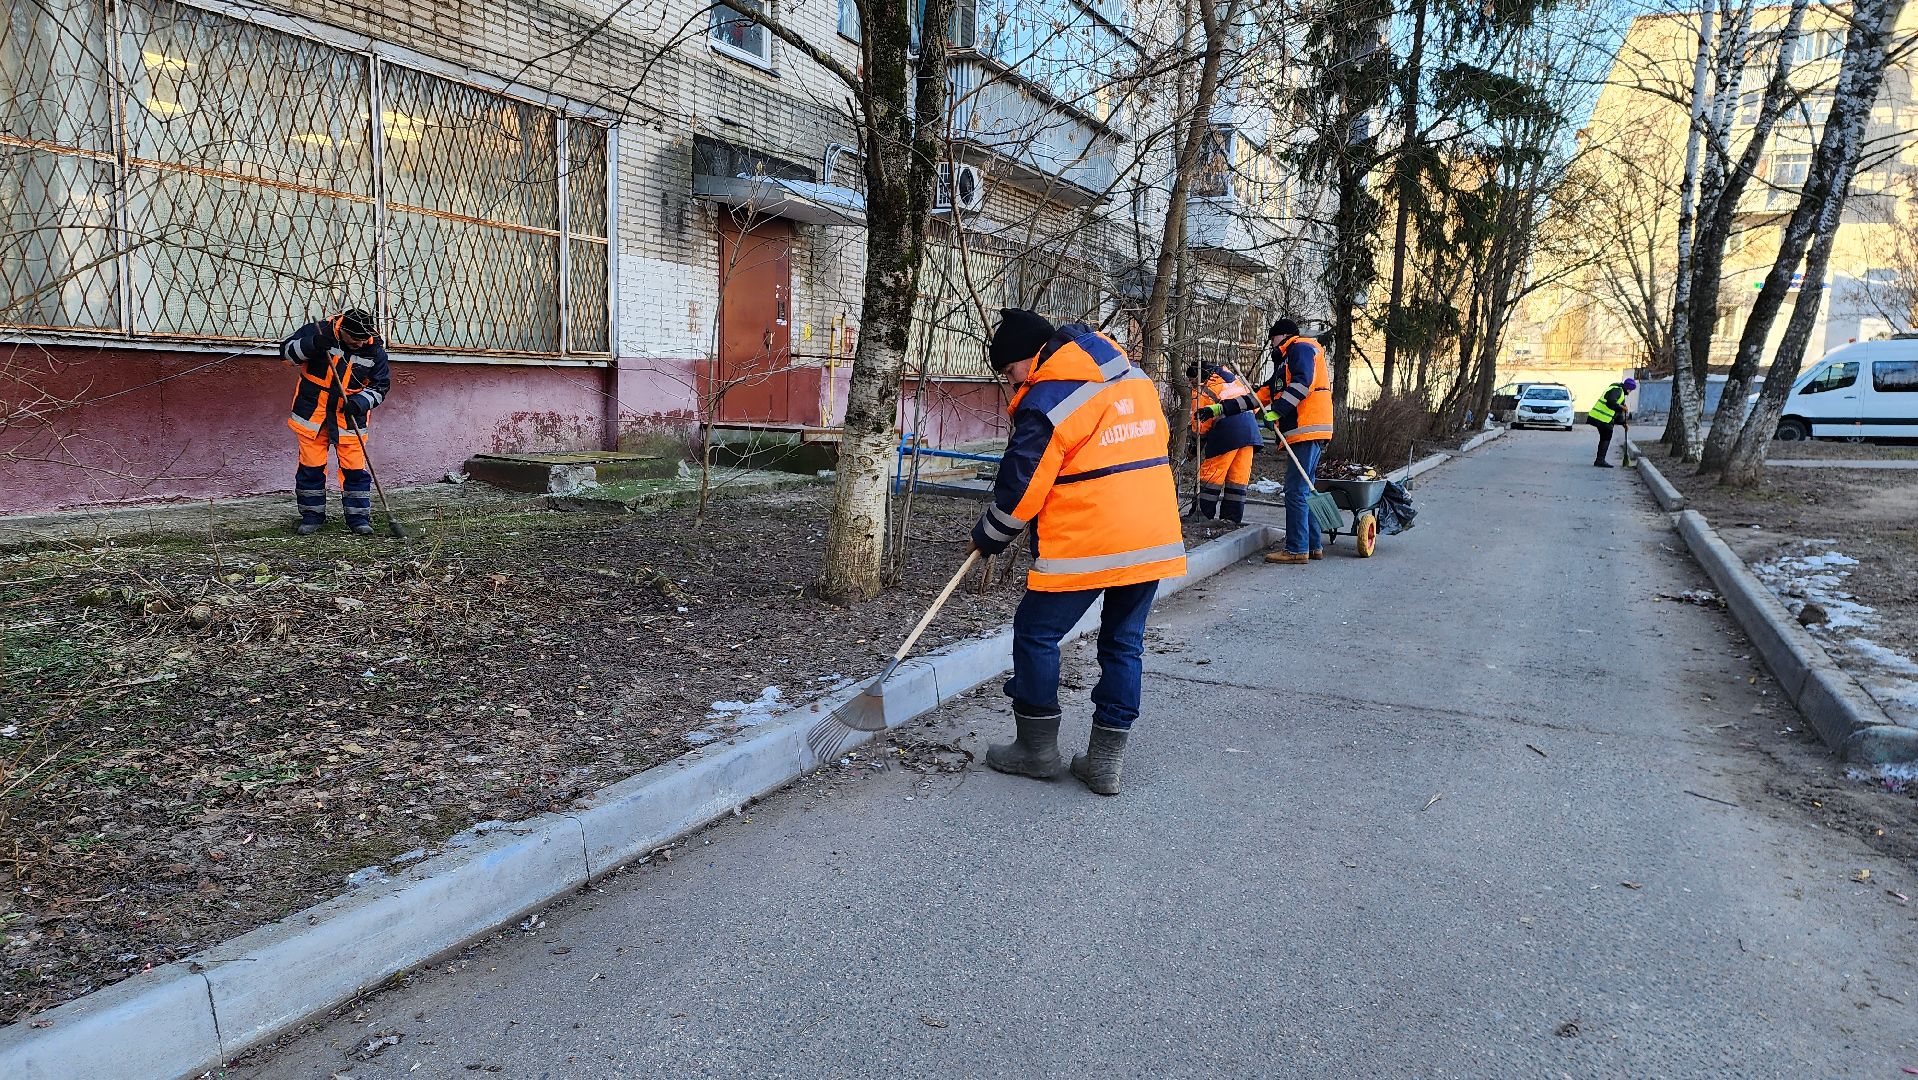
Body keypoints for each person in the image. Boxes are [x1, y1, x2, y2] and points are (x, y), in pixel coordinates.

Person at [969, 309, 1187, 796]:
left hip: (1090, 539)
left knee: (1035, 634)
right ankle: (1105, 763)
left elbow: (1024, 484)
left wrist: (990, 535)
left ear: (1029, 357)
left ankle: (1036, 750)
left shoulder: (1052, 395)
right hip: (1150, 532)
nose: (1011, 383)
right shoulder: (1133, 377)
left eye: (1009, 372)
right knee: (1123, 643)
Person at [280, 309, 391, 535]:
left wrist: (360, 402)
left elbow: (380, 387)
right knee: (311, 469)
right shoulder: (321, 331)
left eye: (364, 338)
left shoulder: (375, 349)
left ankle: (359, 520)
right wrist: (312, 344)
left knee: (355, 470)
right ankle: (311, 517)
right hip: (313, 415)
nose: (360, 343)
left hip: (349, 418)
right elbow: (286, 353)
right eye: (355, 339)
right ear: (343, 331)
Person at [1257, 319, 1333, 564]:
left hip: (1305, 429)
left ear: (1282, 336)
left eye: (1272, 339)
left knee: (1295, 490)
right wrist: (1219, 408)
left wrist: (1277, 411)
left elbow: (1302, 383)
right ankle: (1313, 545)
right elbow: (1261, 396)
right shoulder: (1286, 362)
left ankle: (1296, 549)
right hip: (1309, 431)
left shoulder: (1299, 348)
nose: (1271, 344)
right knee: (1306, 489)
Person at [1189, 360, 1264, 523]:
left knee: (1211, 475)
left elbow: (1200, 424)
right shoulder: (1233, 379)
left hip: (1227, 433)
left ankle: (1201, 515)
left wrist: (1194, 447)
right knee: (1237, 479)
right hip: (1250, 432)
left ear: (1197, 378)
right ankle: (1231, 519)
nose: (1191, 385)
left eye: (1191, 381)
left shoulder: (1202, 390)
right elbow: (1255, 406)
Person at [1586, 376, 1636, 468]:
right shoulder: (1617, 390)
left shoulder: (1618, 391)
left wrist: (1623, 423)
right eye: (1630, 390)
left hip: (1600, 417)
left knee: (1605, 436)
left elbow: (1617, 413)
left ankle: (1599, 460)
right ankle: (1600, 460)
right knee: (1606, 435)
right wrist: (1621, 407)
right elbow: (1611, 403)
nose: (1630, 392)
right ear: (1628, 388)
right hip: (1601, 418)